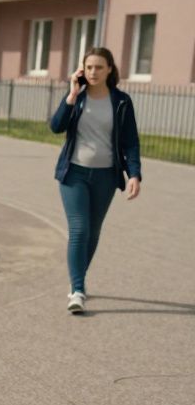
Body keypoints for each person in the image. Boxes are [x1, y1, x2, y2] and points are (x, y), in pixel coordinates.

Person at [49, 46, 141, 314]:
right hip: (74, 173)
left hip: (106, 175)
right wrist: (70, 95)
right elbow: (56, 127)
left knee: (93, 231)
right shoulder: (76, 97)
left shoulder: (121, 101)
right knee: (79, 230)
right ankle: (77, 289)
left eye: (99, 67)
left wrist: (134, 173)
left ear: (110, 69)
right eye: (89, 67)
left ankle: (77, 280)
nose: (93, 72)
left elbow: (130, 142)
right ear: (82, 69)